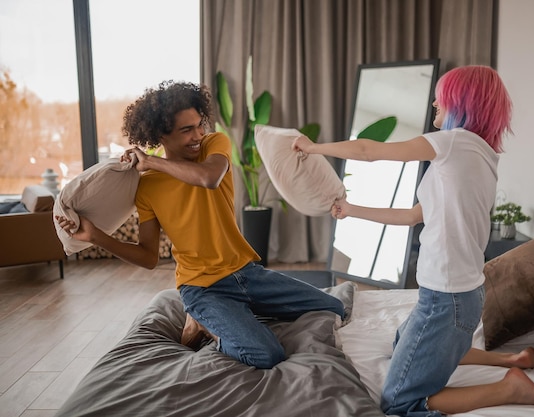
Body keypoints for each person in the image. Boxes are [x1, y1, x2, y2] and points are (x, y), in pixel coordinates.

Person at [292, 66, 534, 416]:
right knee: (398, 345)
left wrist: (312, 147)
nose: (435, 102)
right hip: (459, 296)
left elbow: (368, 150)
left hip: (447, 300)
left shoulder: (453, 144)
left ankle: (510, 386)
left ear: (462, 102)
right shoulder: (478, 153)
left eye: (443, 96)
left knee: (399, 403)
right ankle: (510, 360)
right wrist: (350, 209)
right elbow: (412, 216)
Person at [56, 80, 345, 369]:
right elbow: (148, 257)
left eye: (199, 124)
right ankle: (203, 323)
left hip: (247, 274)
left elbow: (209, 178)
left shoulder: (213, 146)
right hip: (202, 288)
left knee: (334, 308)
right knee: (266, 355)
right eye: (186, 130)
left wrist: (154, 163)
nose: (198, 135)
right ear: (161, 135)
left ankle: (226, 315)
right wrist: (95, 236)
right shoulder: (147, 188)